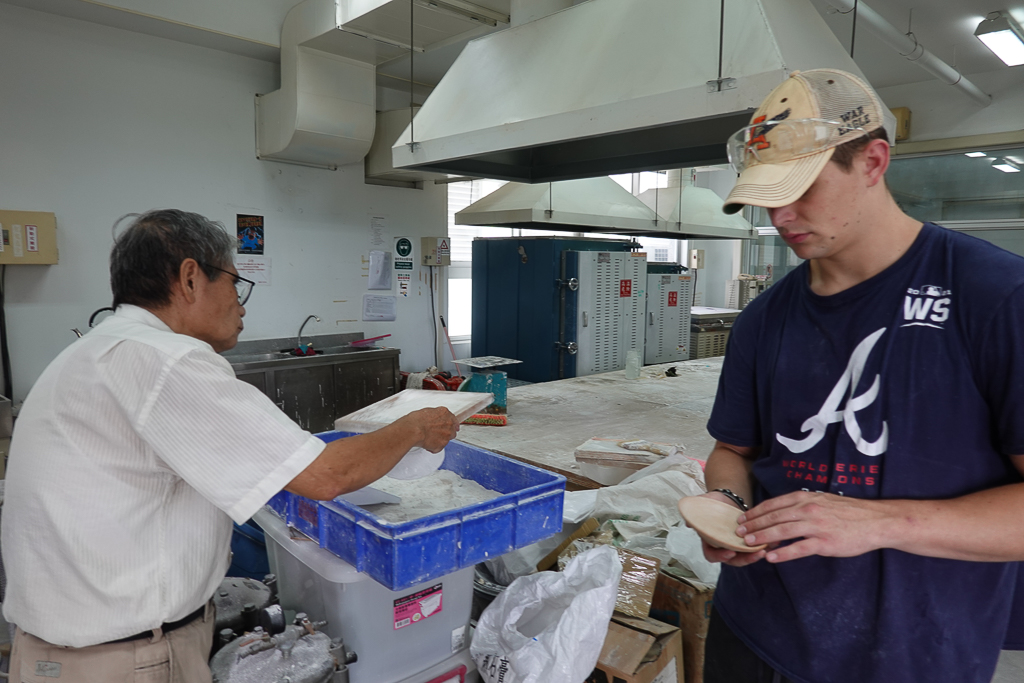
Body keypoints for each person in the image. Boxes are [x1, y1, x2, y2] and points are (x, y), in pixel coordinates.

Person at [1, 209, 459, 681]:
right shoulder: (167, 362)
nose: (241, 306)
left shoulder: (96, 350)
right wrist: (414, 427)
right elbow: (326, 475)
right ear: (190, 278)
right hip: (123, 659)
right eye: (235, 285)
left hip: (69, 650)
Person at [694, 69, 1024, 683]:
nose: (781, 216)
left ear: (873, 162)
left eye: (802, 188)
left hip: (916, 651)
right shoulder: (765, 318)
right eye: (767, 197)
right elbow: (733, 451)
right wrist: (728, 506)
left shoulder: (996, 297)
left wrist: (882, 521)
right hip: (756, 634)